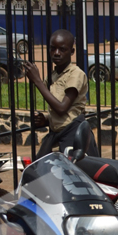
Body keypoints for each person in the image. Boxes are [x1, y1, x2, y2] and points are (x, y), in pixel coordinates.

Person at [23, 29, 98, 159]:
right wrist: (46, 119)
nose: (57, 53)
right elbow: (55, 108)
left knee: (74, 174)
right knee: (39, 169)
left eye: (62, 49)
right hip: (57, 133)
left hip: (73, 133)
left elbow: (62, 108)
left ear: (72, 52)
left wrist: (37, 81)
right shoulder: (52, 76)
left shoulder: (76, 74)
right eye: (53, 49)